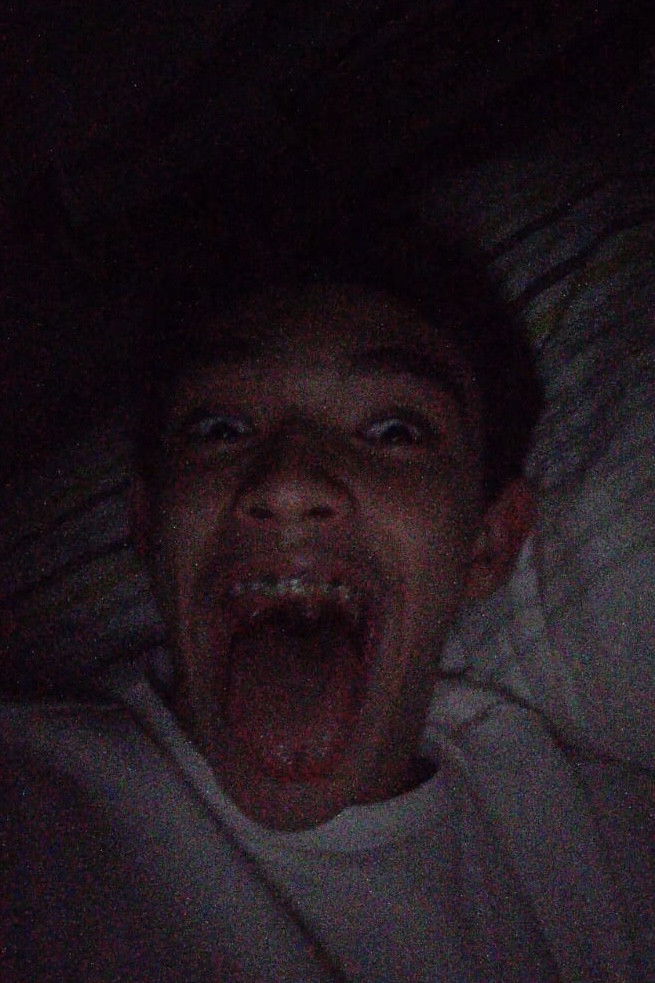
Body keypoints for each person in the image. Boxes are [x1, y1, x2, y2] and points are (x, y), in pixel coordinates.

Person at [3, 221, 652, 981]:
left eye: (394, 431)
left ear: (486, 543)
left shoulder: (601, 846)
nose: (288, 483)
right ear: (146, 526)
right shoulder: (31, 813)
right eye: (220, 428)